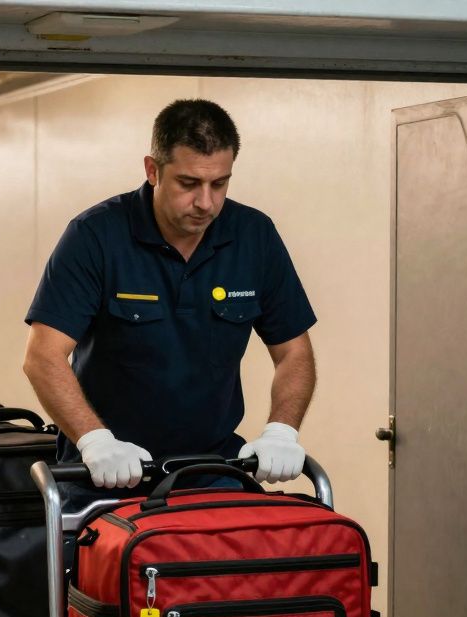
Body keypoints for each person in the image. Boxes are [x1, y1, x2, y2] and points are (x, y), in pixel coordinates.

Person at [23, 99, 317, 493]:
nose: (206, 202)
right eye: (189, 184)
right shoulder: (95, 236)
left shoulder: (254, 236)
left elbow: (295, 352)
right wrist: (95, 441)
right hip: (105, 473)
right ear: (152, 170)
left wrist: (282, 431)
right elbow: (43, 357)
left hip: (210, 469)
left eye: (220, 183)